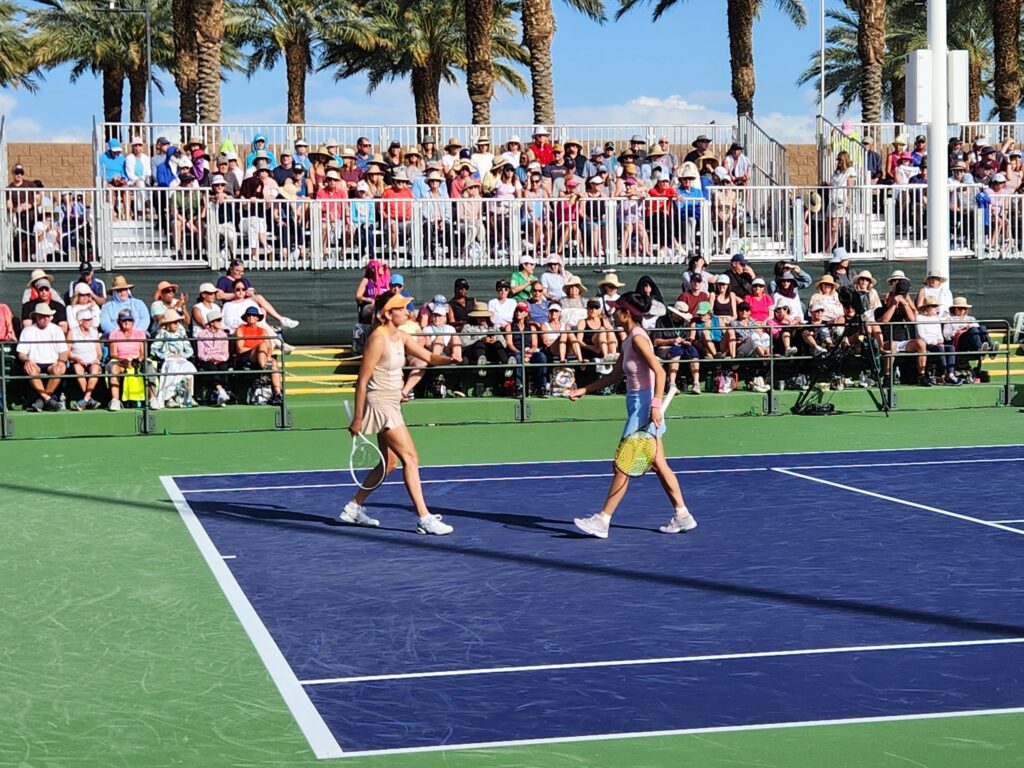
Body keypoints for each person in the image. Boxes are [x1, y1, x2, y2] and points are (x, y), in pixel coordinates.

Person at [569, 291, 697, 539]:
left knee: (622, 466)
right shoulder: (629, 339)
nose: (614, 313)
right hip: (638, 404)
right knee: (659, 464)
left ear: (626, 313)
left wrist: (656, 405)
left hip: (644, 407)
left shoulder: (638, 338)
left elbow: (660, 372)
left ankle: (602, 520)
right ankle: (682, 515)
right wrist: (584, 389)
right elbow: (615, 375)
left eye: (618, 309)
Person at [341, 293, 462, 535]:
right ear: (388, 313)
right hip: (380, 403)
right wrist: (357, 418)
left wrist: (450, 359)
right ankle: (424, 518)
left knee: (389, 464)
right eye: (402, 308)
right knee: (411, 457)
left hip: (393, 401)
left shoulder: (402, 336)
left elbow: (427, 357)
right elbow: (362, 381)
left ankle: (352, 508)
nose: (408, 312)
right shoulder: (378, 338)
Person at [17, 304, 69, 412]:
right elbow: (21, 352)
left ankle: (42, 400)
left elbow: (64, 351)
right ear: (36, 317)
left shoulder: (57, 330)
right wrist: (26, 360)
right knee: (31, 370)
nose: (45, 319)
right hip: (34, 362)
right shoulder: (28, 331)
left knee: (58, 370)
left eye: (47, 316)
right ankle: (48, 399)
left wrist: (61, 361)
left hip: (53, 363)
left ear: (50, 317)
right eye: (41, 316)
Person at [235, 306, 284, 405]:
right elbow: (240, 349)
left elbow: (269, 348)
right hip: (246, 357)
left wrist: (268, 356)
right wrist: (257, 349)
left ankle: (277, 393)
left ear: (257, 318)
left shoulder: (262, 331)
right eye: (248, 315)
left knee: (274, 363)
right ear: (245, 317)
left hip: (262, 356)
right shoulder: (241, 329)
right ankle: (264, 367)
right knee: (262, 345)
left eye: (253, 315)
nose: (251, 317)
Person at [67, 307, 103, 410]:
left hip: (92, 361)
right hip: (78, 361)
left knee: (95, 368)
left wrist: (97, 359)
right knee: (78, 368)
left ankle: (86, 399)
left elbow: (99, 351)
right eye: (87, 320)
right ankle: (90, 399)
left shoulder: (94, 332)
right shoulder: (72, 332)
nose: (90, 321)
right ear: (81, 321)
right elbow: (67, 351)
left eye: (91, 319)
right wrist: (76, 359)